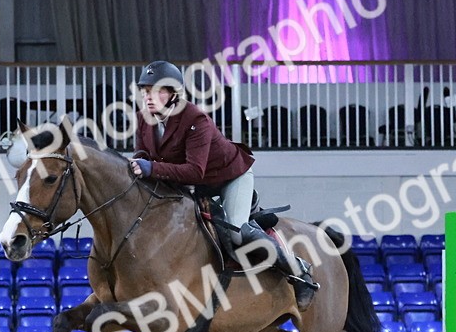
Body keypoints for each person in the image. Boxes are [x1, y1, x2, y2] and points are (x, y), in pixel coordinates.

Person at [129, 60, 319, 310]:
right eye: (145, 91)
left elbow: (195, 171)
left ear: (174, 94)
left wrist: (152, 168)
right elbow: (143, 152)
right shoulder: (145, 119)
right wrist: (139, 163)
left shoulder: (196, 119)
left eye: (156, 91)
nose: (148, 97)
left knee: (236, 232)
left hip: (229, 177)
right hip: (191, 185)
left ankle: (299, 272)